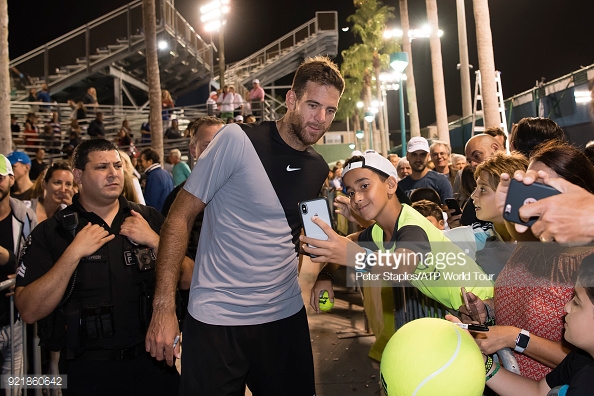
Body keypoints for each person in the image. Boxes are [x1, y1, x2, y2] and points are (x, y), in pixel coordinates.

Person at [146, 56, 345, 395]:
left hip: (283, 316)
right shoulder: (236, 139)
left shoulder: (318, 166)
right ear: (291, 99)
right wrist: (163, 307)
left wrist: (324, 275)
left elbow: (313, 236)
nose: (321, 119)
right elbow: (179, 216)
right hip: (217, 320)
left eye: (330, 110)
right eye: (313, 105)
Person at [14, 139, 182, 395]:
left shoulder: (148, 218)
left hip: (154, 364)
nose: (114, 173)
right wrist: (72, 254)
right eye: (102, 167)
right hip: (88, 372)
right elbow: (27, 309)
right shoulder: (53, 232)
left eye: (117, 165)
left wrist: (156, 242)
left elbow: (191, 277)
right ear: (78, 176)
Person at [301, 150, 493, 361]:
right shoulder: (378, 231)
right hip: (466, 313)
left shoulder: (411, 227)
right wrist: (325, 275)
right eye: (351, 192)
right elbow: (345, 244)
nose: (356, 198)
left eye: (364, 186)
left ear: (391, 185)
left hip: (486, 309)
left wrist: (348, 254)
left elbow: (400, 269)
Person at [461, 141, 594, 380]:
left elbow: (585, 363)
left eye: (541, 186)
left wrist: (515, 338)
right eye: (525, 184)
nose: (528, 195)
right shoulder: (532, 244)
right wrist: (487, 309)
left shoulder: (589, 266)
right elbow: (517, 299)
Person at [449, 254, 594, 396]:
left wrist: (513, 337)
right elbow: (538, 391)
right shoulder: (581, 360)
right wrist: (483, 361)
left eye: (576, 303)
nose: (566, 307)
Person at [0, 154, 36, 387]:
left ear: (11, 179)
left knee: (13, 387)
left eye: (0, 177)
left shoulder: (25, 218)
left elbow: (34, 262)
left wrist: (18, 271)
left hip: (14, 323)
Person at [399, 137, 453, 204]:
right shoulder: (400, 187)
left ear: (428, 156)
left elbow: (449, 211)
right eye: (414, 155)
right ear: (407, 156)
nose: (418, 159)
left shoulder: (441, 181)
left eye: (422, 155)